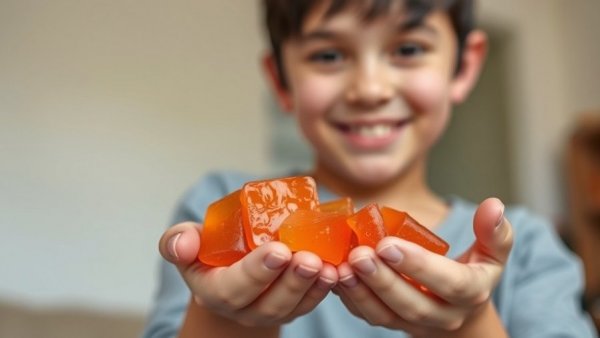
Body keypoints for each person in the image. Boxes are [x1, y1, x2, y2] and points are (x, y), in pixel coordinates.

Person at [142, 0, 597, 337]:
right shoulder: (214, 203)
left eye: (408, 48)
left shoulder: (530, 247)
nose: (369, 89)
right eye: (328, 56)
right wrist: (225, 316)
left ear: (464, 66)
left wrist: (470, 321)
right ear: (280, 80)